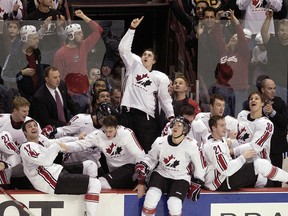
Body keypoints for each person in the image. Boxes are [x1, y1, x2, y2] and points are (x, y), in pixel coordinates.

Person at [20, 119, 101, 216]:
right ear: (25, 133)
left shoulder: (41, 139)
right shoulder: (26, 147)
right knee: (95, 183)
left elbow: (57, 141)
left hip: (56, 171)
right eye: (29, 126)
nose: (33, 127)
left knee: (91, 164)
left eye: (35, 125)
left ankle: (88, 198)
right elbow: (45, 160)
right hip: (50, 182)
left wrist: (76, 138)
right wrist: (57, 146)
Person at [118, 16, 174, 153]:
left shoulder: (160, 77)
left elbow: (164, 98)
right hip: (126, 114)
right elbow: (123, 49)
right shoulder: (134, 64)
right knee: (125, 150)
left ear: (154, 61)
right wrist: (132, 29)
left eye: (150, 55)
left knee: (147, 149)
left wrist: (171, 116)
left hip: (145, 118)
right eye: (144, 54)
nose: (146, 56)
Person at [133, 116, 206, 216]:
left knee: (174, 204)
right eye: (174, 124)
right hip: (161, 174)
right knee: (151, 196)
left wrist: (197, 183)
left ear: (185, 130)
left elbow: (200, 165)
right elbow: (151, 158)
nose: (175, 127)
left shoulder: (192, 145)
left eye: (179, 125)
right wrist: (143, 170)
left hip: (181, 178)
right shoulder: (160, 141)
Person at [203, 115, 288, 191]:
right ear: (213, 128)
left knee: (261, 174)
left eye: (225, 125)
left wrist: (229, 140)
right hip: (222, 182)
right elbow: (227, 170)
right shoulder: (214, 146)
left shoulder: (217, 139)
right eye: (221, 126)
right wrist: (243, 157)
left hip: (222, 178)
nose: (225, 128)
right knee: (260, 165)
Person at [63, 115, 145, 189]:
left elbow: (140, 155)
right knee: (99, 182)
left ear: (116, 127)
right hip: (114, 172)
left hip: (130, 168)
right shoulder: (97, 135)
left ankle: (72, 187)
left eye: (110, 131)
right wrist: (59, 147)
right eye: (105, 131)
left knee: (101, 183)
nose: (108, 134)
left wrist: (141, 181)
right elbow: (79, 145)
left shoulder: (126, 133)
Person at [53, 10, 103, 113]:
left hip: (86, 92)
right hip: (71, 96)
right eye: (79, 33)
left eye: (82, 33)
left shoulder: (83, 46)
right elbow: (58, 78)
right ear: (71, 36)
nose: (82, 35)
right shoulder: (60, 54)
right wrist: (66, 95)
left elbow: (98, 30)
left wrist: (83, 16)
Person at [213, 9, 251, 116]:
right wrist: (217, 20)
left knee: (238, 116)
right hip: (223, 89)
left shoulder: (244, 54)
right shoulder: (223, 51)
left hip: (239, 89)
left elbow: (242, 39)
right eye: (233, 37)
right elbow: (217, 37)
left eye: (237, 38)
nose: (234, 39)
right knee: (223, 116)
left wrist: (235, 21)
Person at [2, 24, 48, 102]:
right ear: (25, 39)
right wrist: (21, 73)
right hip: (23, 98)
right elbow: (4, 75)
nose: (38, 40)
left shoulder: (37, 52)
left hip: (38, 95)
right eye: (34, 38)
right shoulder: (14, 55)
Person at [261, 78, 288, 187]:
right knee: (262, 178)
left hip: (276, 147)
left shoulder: (280, 102)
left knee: (276, 178)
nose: (273, 91)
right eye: (270, 88)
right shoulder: (256, 101)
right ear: (263, 90)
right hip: (261, 148)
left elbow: (285, 122)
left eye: (274, 88)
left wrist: (273, 113)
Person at [233, 91, 274, 162]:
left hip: (259, 165)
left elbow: (255, 147)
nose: (253, 100)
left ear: (262, 103)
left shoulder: (266, 124)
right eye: (251, 99)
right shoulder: (242, 115)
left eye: (256, 98)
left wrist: (233, 151)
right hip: (240, 162)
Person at [25, 0, 66, 65]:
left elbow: (63, 38)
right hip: (41, 52)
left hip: (56, 51)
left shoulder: (57, 15)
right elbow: (32, 40)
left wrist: (59, 27)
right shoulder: (31, 17)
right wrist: (44, 28)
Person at [261, 12, 288, 105]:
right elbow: (264, 33)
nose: (284, 32)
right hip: (276, 87)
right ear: (278, 32)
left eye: (287, 30)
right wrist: (268, 18)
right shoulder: (273, 43)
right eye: (282, 30)